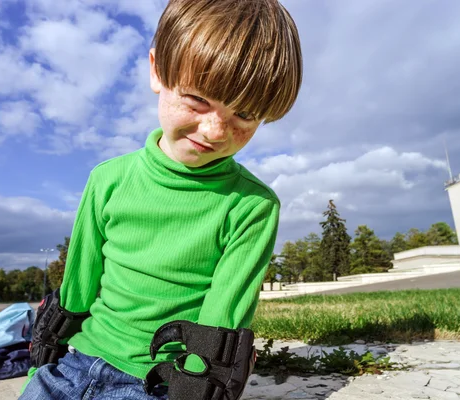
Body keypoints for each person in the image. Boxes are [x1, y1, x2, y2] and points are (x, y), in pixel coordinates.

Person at [19, 0, 302, 398]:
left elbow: (220, 325)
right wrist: (41, 370)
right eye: (197, 100)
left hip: (155, 383)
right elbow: (76, 290)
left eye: (244, 115)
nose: (215, 130)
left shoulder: (252, 206)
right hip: (74, 364)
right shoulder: (108, 179)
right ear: (157, 70)